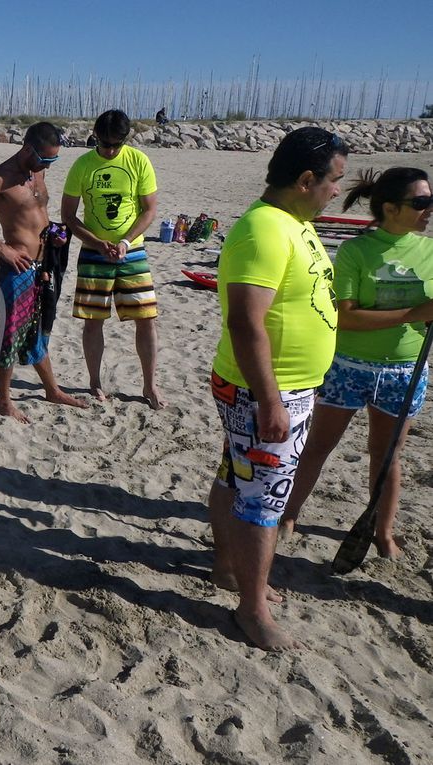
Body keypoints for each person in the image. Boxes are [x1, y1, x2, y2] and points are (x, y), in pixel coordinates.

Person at [208, 126, 347, 651]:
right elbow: (246, 322)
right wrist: (269, 399)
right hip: (265, 390)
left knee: (235, 475)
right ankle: (253, 607)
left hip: (277, 387)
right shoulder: (264, 230)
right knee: (262, 501)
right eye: (334, 180)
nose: (338, 190)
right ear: (306, 179)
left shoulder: (295, 221)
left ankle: (227, 568)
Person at [280, 167, 433, 558]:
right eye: (421, 203)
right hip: (349, 364)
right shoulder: (356, 251)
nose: (428, 210)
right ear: (390, 207)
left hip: (404, 369)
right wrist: (411, 314)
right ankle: (289, 515)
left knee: (387, 456)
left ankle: (382, 532)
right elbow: (344, 317)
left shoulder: (430, 252)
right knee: (318, 446)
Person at [0, 121, 87, 423]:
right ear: (28, 149)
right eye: (45, 159)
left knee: (39, 330)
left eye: (54, 160)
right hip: (15, 270)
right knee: (10, 336)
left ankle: (52, 390)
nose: (48, 167)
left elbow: (35, 216)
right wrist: (2, 247)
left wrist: (53, 233)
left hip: (44, 267)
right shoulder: (0, 178)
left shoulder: (37, 172)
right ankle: (3, 401)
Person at [61, 109, 165, 409]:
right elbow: (68, 216)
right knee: (93, 321)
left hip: (131, 251)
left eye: (114, 145)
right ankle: (94, 382)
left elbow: (148, 210)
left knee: (146, 319)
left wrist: (124, 241)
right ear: (95, 136)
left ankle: (149, 385)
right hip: (94, 252)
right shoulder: (82, 165)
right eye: (103, 144)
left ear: (125, 140)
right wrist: (97, 242)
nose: (108, 150)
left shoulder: (138, 161)